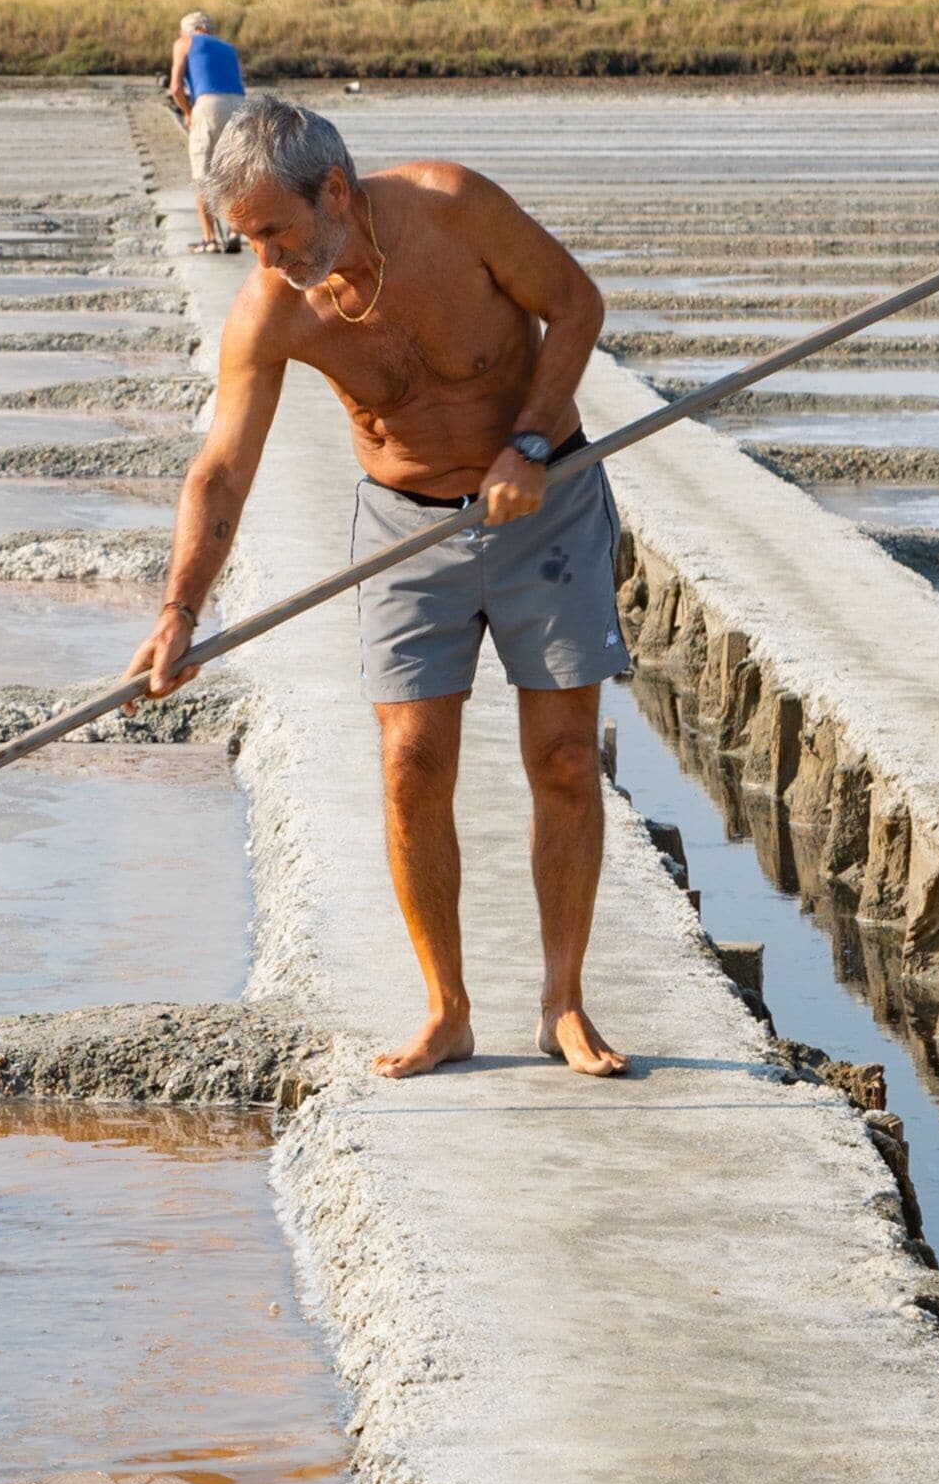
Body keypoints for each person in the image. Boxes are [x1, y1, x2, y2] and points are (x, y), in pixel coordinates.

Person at [130, 94, 632, 1080]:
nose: (265, 259)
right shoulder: (272, 307)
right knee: (410, 763)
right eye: (248, 241)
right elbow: (220, 472)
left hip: (547, 503)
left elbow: (576, 305)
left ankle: (563, 1001)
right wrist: (178, 611)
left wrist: (529, 442)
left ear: (337, 192)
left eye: (275, 232)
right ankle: (446, 1009)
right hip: (404, 533)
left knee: (566, 759)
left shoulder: (454, 208)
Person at [166, 12, 249, 252]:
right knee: (234, 172)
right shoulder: (228, 47)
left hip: (208, 104)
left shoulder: (185, 42)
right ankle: (235, 228)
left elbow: (175, 87)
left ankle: (210, 239)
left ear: (190, 29)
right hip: (239, 105)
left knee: (202, 174)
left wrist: (189, 112)